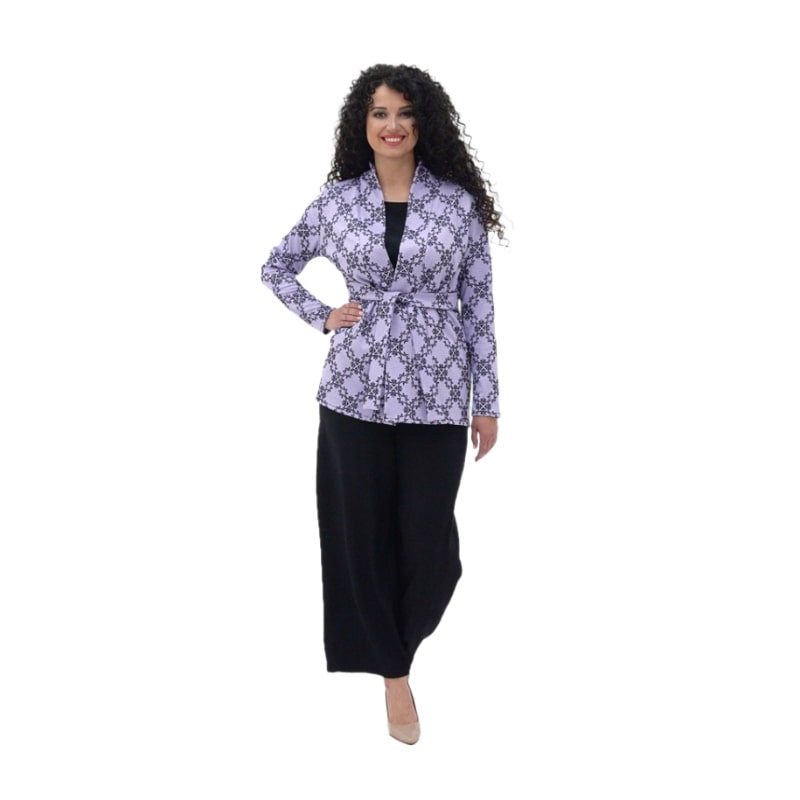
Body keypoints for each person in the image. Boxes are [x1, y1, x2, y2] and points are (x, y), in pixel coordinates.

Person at [260, 63, 504, 745]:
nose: (392, 125)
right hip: (353, 391)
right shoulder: (338, 203)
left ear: (424, 122)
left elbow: (480, 307)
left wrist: (487, 402)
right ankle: (395, 676)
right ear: (361, 124)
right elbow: (276, 266)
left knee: (430, 546)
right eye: (379, 113)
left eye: (405, 112)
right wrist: (323, 314)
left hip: (437, 393)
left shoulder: (457, 205)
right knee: (359, 535)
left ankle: (398, 648)